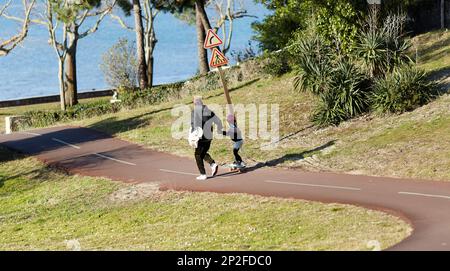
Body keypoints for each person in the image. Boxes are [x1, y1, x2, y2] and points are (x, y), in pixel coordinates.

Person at [190, 96, 223, 181]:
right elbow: (218, 122)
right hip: (209, 137)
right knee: (203, 153)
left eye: (194, 103)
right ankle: (212, 164)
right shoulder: (209, 111)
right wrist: (219, 130)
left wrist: (192, 135)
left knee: (197, 154)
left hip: (200, 136)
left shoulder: (194, 112)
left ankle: (203, 174)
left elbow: (193, 124)